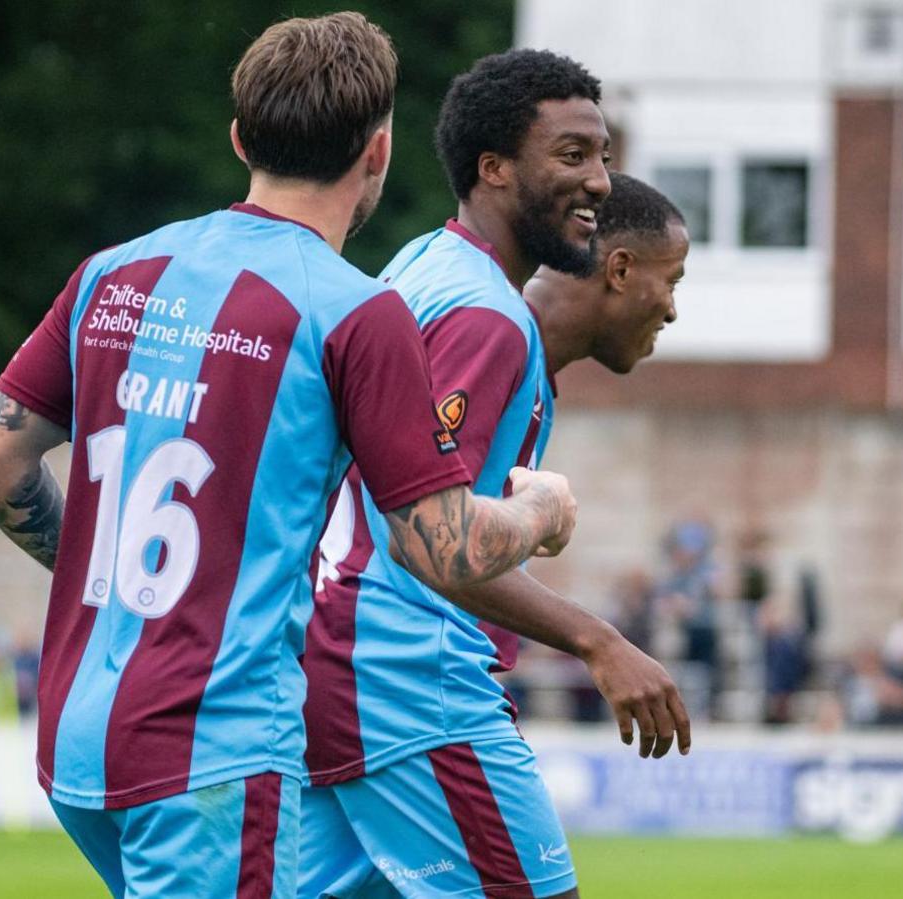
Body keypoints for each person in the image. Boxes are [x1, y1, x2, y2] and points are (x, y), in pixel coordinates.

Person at [0, 15, 576, 899]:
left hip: (78, 729)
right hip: (211, 747)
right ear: (378, 151)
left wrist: (119, 586)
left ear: (241, 138)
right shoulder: (356, 313)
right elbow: (443, 548)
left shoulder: (115, 272)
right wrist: (541, 510)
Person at [296, 56, 692, 898]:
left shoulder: (425, 266)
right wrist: (600, 638)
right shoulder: (485, 316)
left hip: (342, 665)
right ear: (495, 169)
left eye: (603, 156)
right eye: (573, 156)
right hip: (407, 677)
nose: (598, 180)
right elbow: (431, 544)